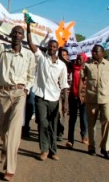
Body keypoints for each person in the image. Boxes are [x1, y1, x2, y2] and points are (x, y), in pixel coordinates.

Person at [0, 20, 35, 181]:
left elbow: (31, 75)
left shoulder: (28, 55)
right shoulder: (2, 49)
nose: (17, 35)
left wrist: (26, 88)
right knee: (4, 132)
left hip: (19, 94)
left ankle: (10, 169)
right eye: (14, 33)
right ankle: (5, 146)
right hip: (3, 94)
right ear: (10, 36)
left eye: (20, 33)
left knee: (15, 131)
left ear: (23, 37)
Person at [26, 20, 69, 162]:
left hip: (55, 99)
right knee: (43, 123)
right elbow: (31, 43)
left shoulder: (62, 65)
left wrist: (65, 102)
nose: (51, 48)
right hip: (40, 96)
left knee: (53, 126)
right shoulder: (41, 57)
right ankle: (43, 150)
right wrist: (28, 27)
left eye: (54, 46)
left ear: (57, 48)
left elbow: (63, 85)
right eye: (50, 46)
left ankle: (53, 150)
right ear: (47, 47)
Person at [80, 44, 109, 159]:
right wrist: (81, 95)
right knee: (91, 124)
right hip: (91, 99)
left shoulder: (108, 65)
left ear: (102, 53)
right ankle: (91, 147)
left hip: (105, 99)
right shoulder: (88, 65)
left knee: (107, 121)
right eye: (92, 52)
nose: (94, 53)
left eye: (96, 52)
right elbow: (81, 78)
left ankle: (105, 148)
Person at [66, 53, 88, 149]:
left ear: (84, 60)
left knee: (83, 118)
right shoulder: (73, 68)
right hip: (73, 97)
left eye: (80, 59)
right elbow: (64, 59)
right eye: (77, 59)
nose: (78, 60)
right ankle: (70, 140)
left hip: (83, 98)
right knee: (72, 119)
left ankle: (84, 136)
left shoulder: (87, 70)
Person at [56, 47, 72, 141]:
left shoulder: (71, 66)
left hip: (68, 94)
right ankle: (56, 131)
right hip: (57, 92)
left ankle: (60, 131)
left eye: (65, 55)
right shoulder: (57, 64)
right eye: (62, 55)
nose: (63, 57)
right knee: (58, 113)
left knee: (64, 113)